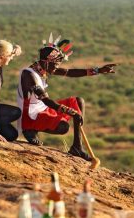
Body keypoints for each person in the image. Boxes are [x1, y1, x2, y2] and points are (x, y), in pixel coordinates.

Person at [17, 33, 117, 161]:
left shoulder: (44, 68)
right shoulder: (28, 74)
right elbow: (46, 100)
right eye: (56, 64)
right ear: (46, 62)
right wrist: (70, 112)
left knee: (78, 101)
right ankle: (31, 130)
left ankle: (77, 147)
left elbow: (69, 72)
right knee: (63, 127)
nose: (57, 68)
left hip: (42, 109)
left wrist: (98, 71)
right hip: (31, 116)